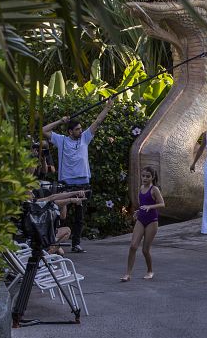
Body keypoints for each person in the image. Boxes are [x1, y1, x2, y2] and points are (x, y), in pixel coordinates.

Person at [42, 98, 114, 253]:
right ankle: (57, 243)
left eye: (81, 129)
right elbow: (44, 130)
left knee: (79, 217)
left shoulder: (85, 138)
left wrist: (107, 107)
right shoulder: (61, 140)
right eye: (77, 129)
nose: (80, 131)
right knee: (62, 214)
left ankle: (76, 244)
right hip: (66, 184)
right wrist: (61, 121)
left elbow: (97, 122)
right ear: (69, 131)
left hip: (83, 183)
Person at [121, 166, 165, 282]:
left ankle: (150, 270)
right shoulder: (141, 188)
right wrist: (138, 211)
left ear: (152, 177)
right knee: (133, 246)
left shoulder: (154, 189)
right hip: (141, 219)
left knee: (145, 250)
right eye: (143, 176)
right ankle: (128, 274)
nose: (145, 178)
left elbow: (162, 204)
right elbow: (142, 204)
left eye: (148, 176)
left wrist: (150, 207)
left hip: (152, 221)